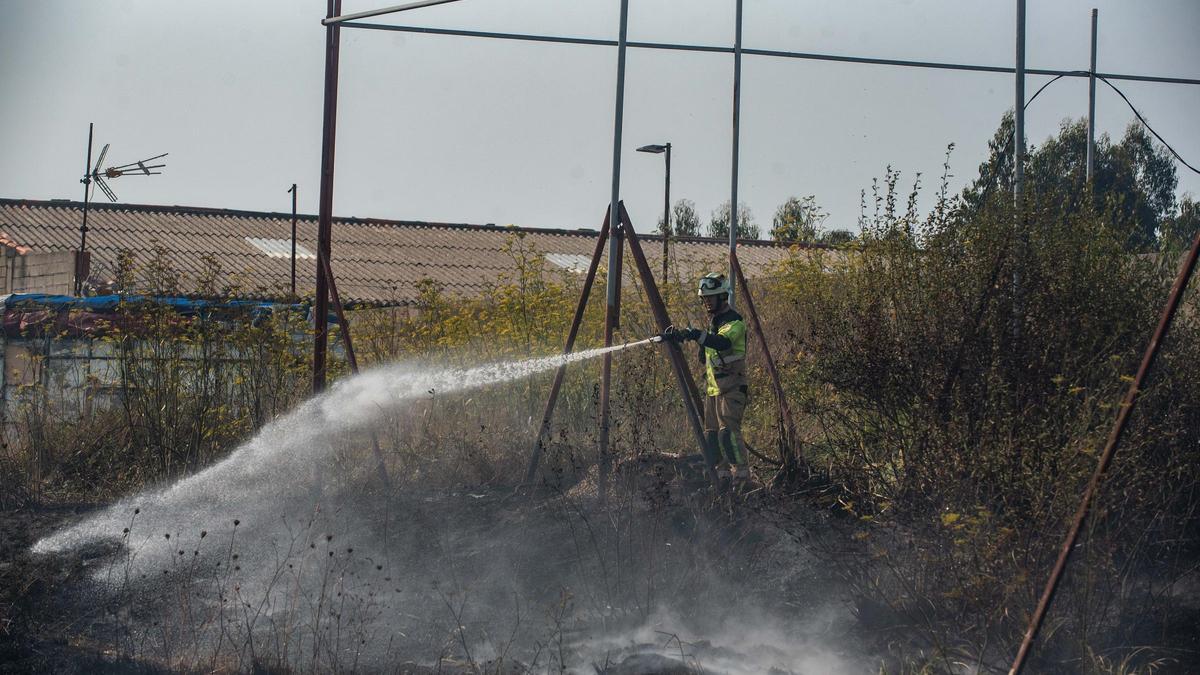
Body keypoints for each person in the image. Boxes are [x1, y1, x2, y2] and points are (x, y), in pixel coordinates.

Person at [662, 273, 750, 487]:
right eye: (704, 298)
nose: (707, 302)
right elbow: (706, 354)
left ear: (723, 297)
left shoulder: (734, 323)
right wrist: (682, 337)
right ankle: (722, 475)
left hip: (732, 389)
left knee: (728, 433)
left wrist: (697, 335)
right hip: (713, 389)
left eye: (711, 297)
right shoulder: (714, 324)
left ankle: (741, 475)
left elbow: (721, 343)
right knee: (711, 436)